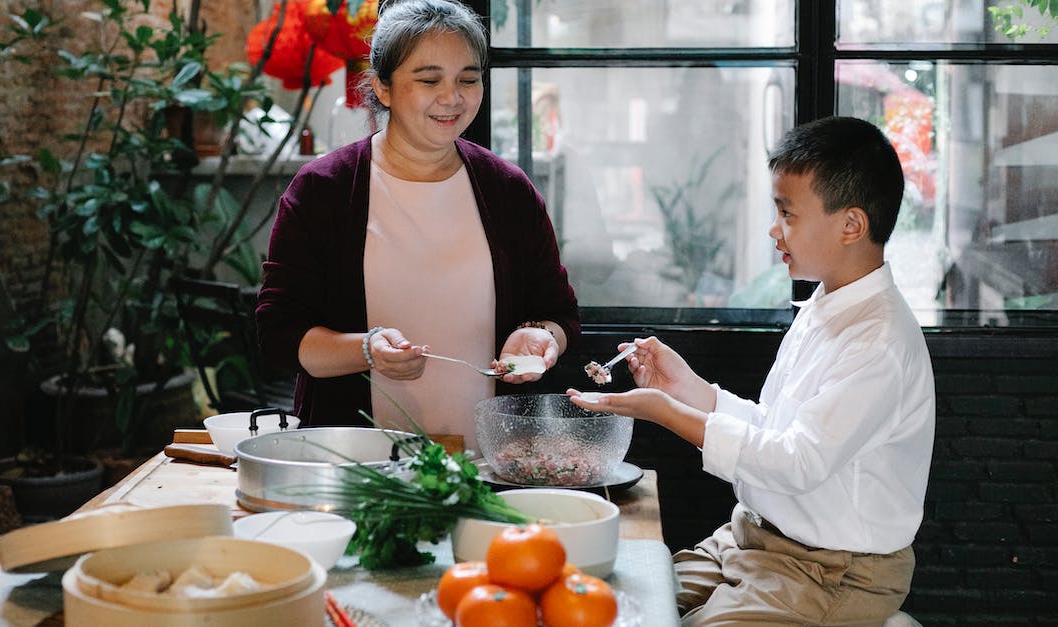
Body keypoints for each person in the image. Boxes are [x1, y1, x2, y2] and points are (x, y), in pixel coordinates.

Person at [569, 116, 935, 625]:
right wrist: (687, 390)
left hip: (833, 571)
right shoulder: (826, 305)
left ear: (851, 225)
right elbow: (776, 428)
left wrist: (669, 414)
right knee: (623, 605)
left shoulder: (879, 340)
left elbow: (795, 462)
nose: (773, 229)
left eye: (787, 214)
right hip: (752, 538)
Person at [255, 0, 579, 452]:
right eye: (429, 80)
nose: (453, 97)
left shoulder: (508, 191)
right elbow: (280, 335)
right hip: (355, 462)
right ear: (383, 87)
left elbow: (559, 312)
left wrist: (542, 337)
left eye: (468, 79)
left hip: (490, 461)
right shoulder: (323, 190)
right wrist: (366, 351)